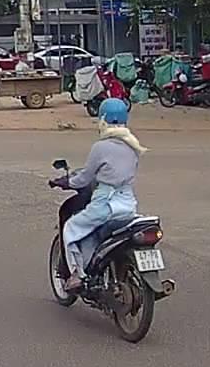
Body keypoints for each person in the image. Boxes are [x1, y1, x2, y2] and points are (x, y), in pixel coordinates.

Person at [49, 98, 145, 293]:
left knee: (71, 228)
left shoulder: (101, 147)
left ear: (102, 120)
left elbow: (85, 178)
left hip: (104, 205)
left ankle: (77, 275)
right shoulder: (134, 146)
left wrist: (66, 182)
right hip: (128, 206)